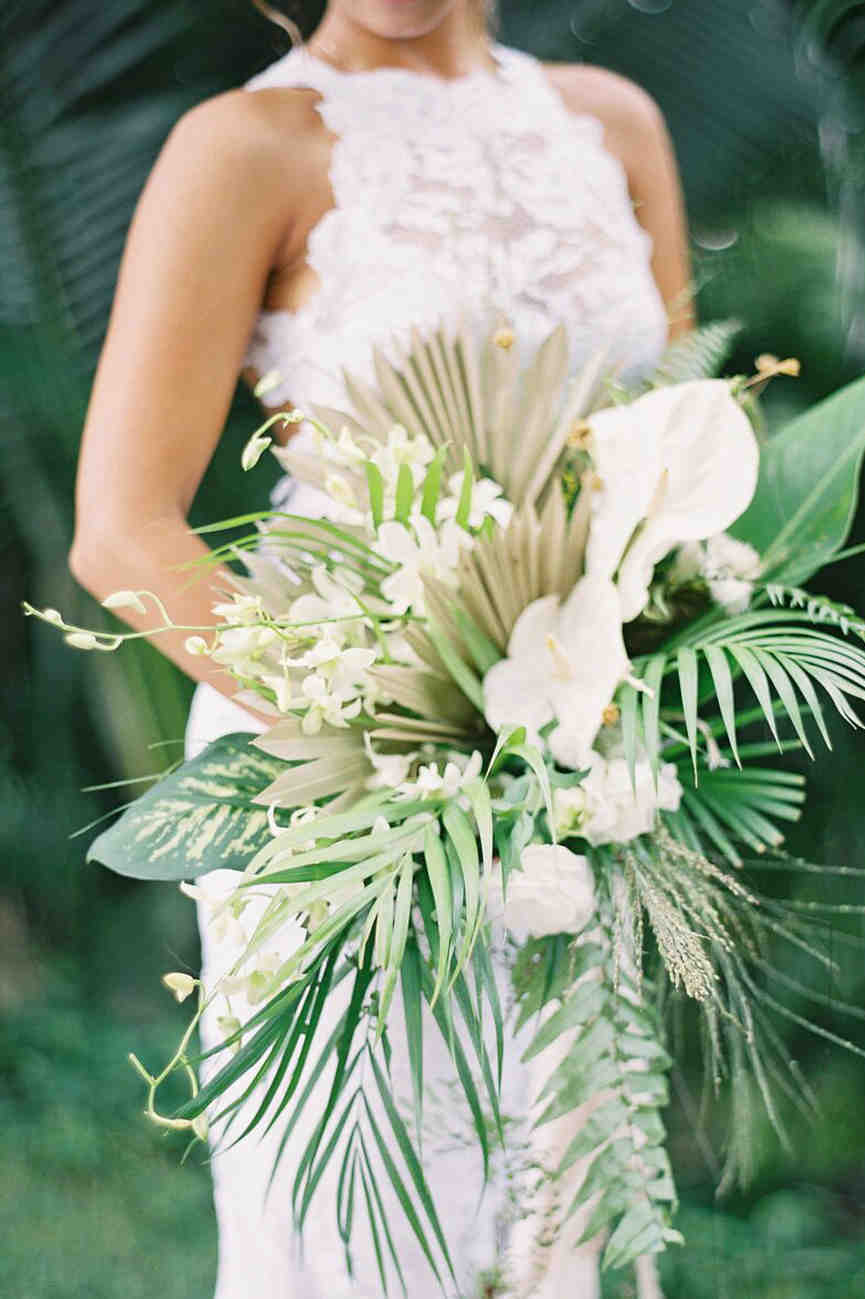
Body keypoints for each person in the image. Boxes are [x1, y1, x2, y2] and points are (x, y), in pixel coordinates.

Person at [69, 1, 693, 1294]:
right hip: (339, 782)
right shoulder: (244, 144)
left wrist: (633, 685)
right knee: (358, 1236)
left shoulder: (616, 121)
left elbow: (681, 456)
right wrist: (406, 741)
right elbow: (123, 533)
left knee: (558, 1219)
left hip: (579, 771)